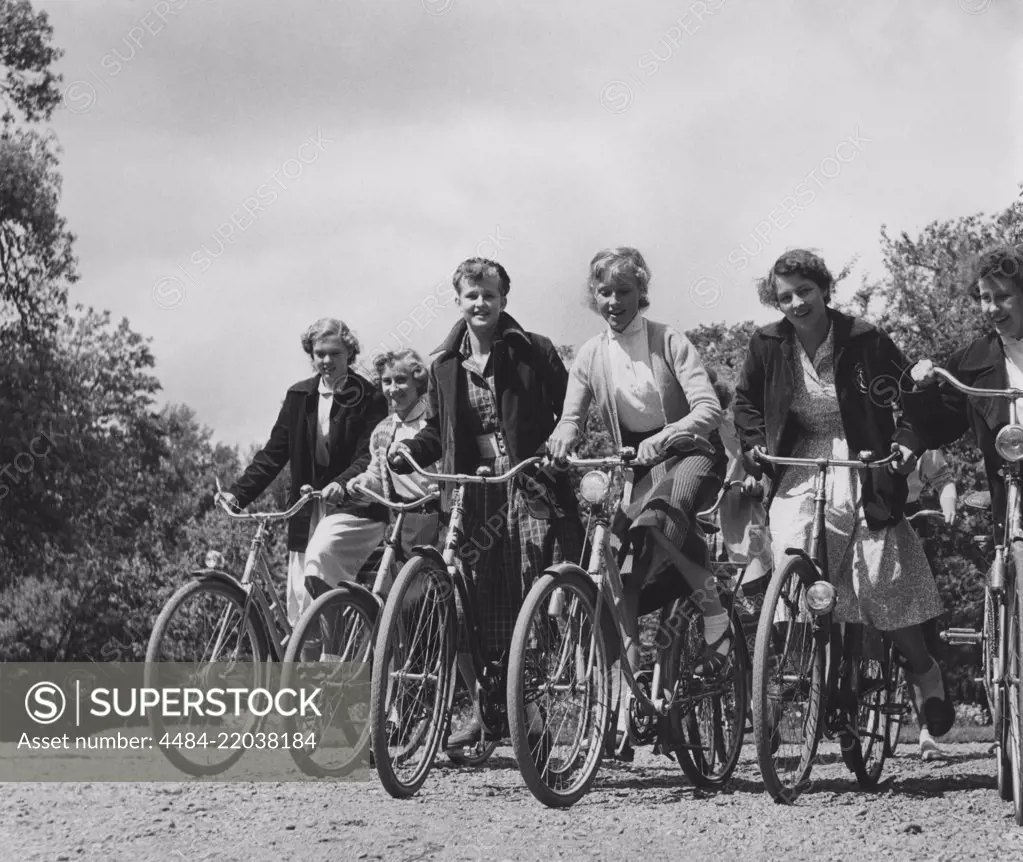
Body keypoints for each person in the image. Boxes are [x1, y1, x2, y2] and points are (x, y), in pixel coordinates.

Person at [732, 248, 955, 738]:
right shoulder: (768, 343)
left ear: (825, 289)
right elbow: (745, 403)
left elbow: (910, 400)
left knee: (879, 575)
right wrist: (754, 448)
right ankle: (802, 672)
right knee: (791, 560)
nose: (795, 303)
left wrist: (904, 446)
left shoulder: (864, 339)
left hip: (863, 459)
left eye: (804, 291)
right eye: (784, 296)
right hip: (798, 463)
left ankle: (924, 671)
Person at [389, 257, 581, 746]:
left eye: (489, 295)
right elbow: (439, 430)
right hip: (474, 493)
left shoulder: (533, 350)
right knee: (475, 601)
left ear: (503, 300)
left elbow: (570, 410)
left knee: (528, 591)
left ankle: (531, 715)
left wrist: (560, 446)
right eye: (472, 295)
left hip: (530, 484)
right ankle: (484, 710)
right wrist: (410, 449)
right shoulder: (444, 364)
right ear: (459, 299)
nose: (481, 303)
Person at [547, 246, 729, 757]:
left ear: (640, 293)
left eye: (623, 291)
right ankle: (621, 705)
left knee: (659, 522)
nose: (613, 301)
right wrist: (562, 439)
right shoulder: (589, 355)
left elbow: (709, 408)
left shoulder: (669, 340)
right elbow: (571, 416)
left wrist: (668, 435)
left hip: (693, 453)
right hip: (639, 467)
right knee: (618, 577)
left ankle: (711, 607)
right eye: (604, 292)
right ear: (594, 295)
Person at [906, 243, 1023, 747]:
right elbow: (934, 422)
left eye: (1003, 296)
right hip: (1010, 494)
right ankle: (1008, 681)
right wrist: (917, 390)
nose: (992, 307)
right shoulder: (974, 361)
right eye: (983, 297)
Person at [219, 318, 388, 630]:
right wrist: (238, 494)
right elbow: (273, 454)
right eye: (319, 353)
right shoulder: (299, 397)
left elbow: (369, 454)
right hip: (306, 509)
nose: (326, 360)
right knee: (299, 603)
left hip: (354, 507)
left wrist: (342, 483)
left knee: (321, 563)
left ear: (349, 352)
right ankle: (307, 672)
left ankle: (332, 653)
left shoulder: (370, 397)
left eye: (334, 353)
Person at [345, 348, 442, 587]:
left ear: (417, 381)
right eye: (387, 382)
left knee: (438, 588)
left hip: (439, 516)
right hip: (403, 520)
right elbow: (377, 473)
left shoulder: (433, 421)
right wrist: (364, 483)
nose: (393, 389)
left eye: (401, 380)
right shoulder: (382, 430)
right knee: (402, 595)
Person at [903, 449, 959, 760]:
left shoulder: (920, 443)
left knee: (920, 623)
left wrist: (947, 505)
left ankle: (926, 728)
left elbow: (943, 478)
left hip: (908, 519)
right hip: (861, 515)